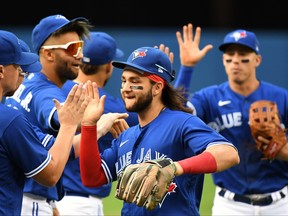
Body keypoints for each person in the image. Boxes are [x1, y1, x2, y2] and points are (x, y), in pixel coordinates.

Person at [78, 46, 240, 216]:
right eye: (124, 80)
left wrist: (174, 167)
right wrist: (89, 125)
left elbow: (229, 154)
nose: (125, 88)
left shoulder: (182, 122)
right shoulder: (125, 136)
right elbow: (92, 178)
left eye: (135, 82)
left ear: (157, 88)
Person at [174, 24, 288, 215]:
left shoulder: (281, 98)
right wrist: (187, 68)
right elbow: (176, 114)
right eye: (230, 55)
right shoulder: (209, 98)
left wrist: (282, 150)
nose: (236, 60)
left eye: (243, 55)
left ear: (257, 60)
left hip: (280, 203)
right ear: (224, 61)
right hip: (230, 205)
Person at [4, 14, 94, 215]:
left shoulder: (26, 82)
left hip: (19, 194)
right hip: (29, 199)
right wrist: (94, 124)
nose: (79, 55)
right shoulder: (46, 92)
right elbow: (58, 116)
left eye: (80, 47)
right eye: (72, 48)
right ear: (49, 54)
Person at [58, 31, 138, 215]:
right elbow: (163, 113)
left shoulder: (56, 90)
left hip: (52, 197)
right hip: (81, 203)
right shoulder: (106, 106)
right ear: (109, 66)